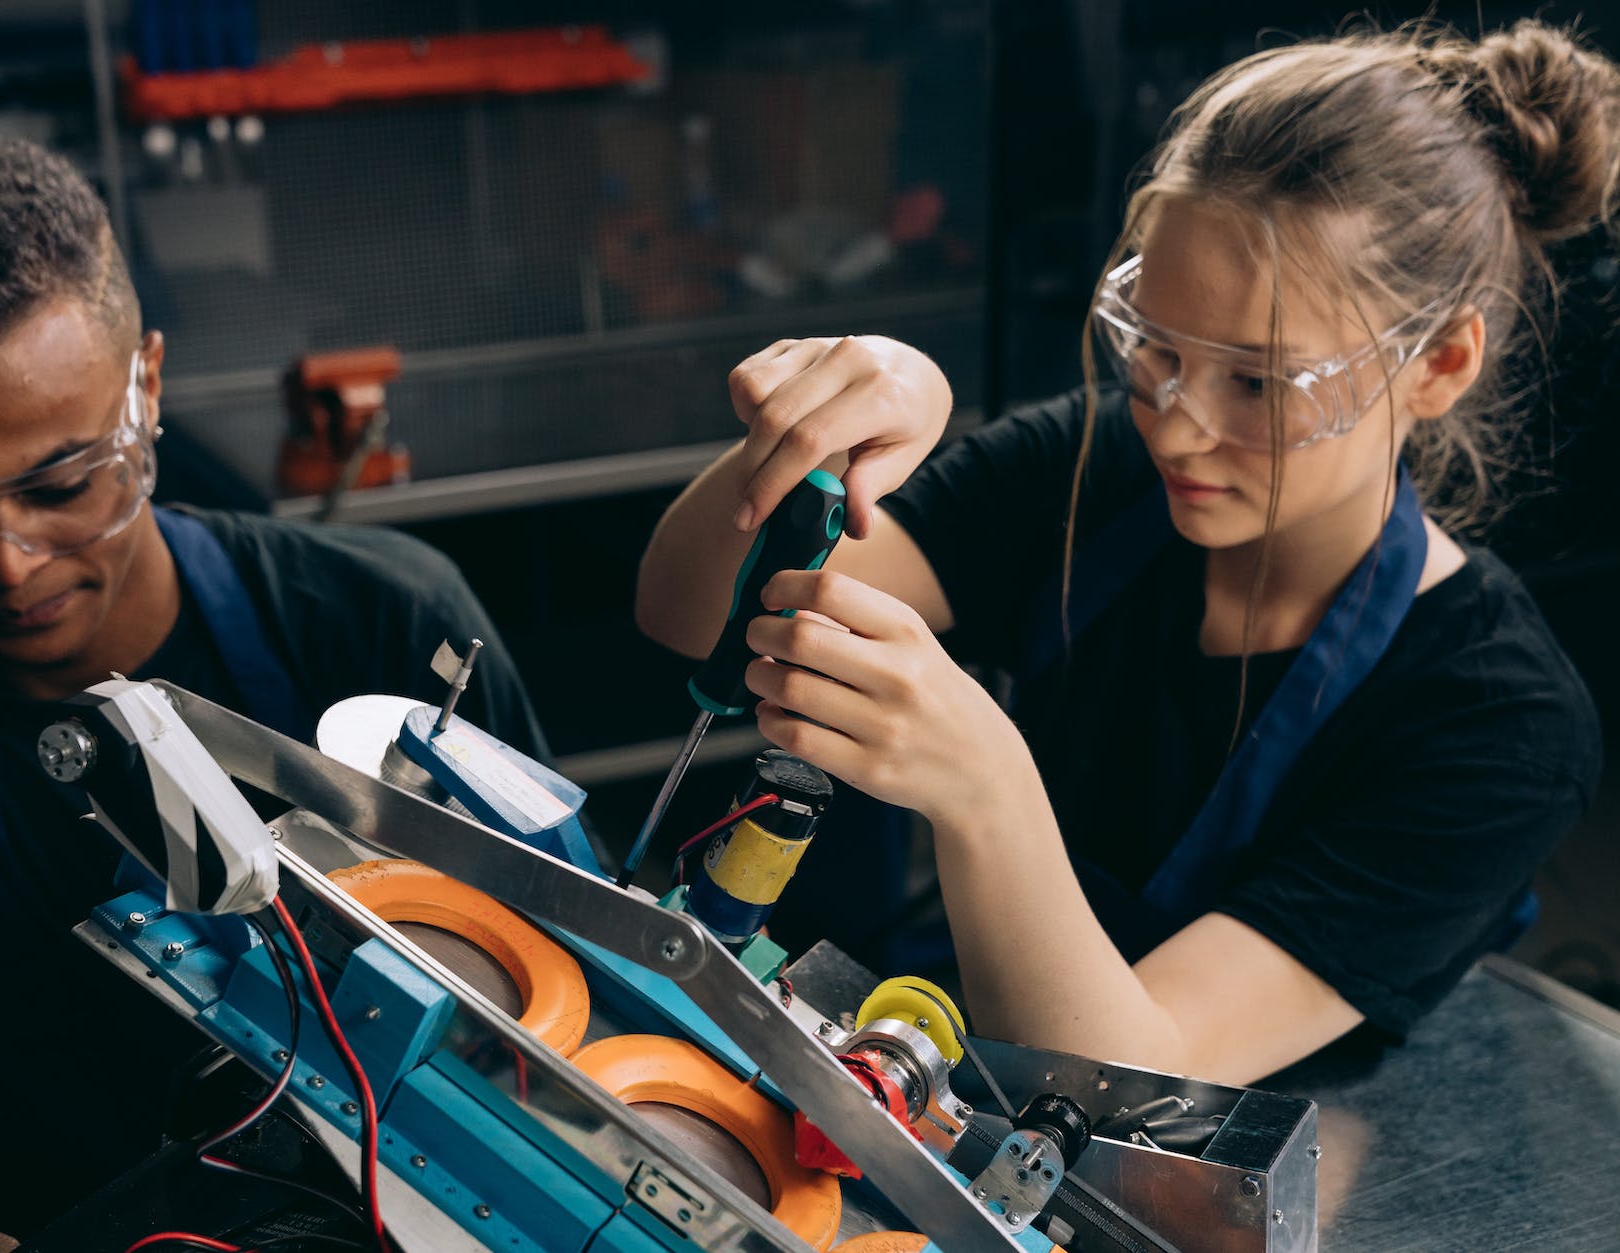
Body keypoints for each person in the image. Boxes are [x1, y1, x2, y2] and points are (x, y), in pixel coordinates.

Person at [638, 20, 1617, 1087]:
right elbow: (691, 617)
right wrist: (826, 429)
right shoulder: (1100, 469)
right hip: (943, 1055)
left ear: (1435, 365)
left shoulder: (1499, 724)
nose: (1176, 425)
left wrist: (982, 786)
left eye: (1254, 383)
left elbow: (1120, 1074)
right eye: (1154, 347)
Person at [0, 136, 550, 1252]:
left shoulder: (384, 625)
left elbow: (566, 1037)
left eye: (61, 483)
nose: (7, 561)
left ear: (148, 387)